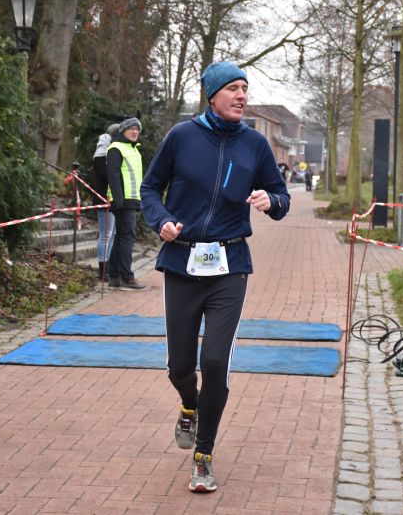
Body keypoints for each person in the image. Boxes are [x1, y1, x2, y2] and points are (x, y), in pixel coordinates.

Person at [140, 61, 290, 493]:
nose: (242, 96)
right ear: (212, 95)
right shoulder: (181, 137)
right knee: (180, 367)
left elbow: (281, 197)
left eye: (245, 88)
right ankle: (189, 404)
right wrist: (162, 220)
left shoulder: (255, 144)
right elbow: (150, 189)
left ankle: (203, 456)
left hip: (230, 266)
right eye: (233, 88)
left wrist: (271, 201)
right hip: (182, 263)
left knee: (215, 362)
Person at [106, 117, 148, 291]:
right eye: (131, 128)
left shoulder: (133, 149)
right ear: (123, 130)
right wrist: (118, 199)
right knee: (127, 238)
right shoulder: (116, 148)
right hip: (123, 201)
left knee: (121, 238)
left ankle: (114, 276)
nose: (135, 131)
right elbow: (113, 175)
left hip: (132, 199)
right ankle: (126, 277)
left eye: (137, 129)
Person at [91, 123, 120, 281]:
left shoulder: (110, 150)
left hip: (112, 198)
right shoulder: (102, 153)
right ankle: (102, 269)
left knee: (111, 234)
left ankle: (107, 265)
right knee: (106, 234)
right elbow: (105, 175)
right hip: (104, 197)